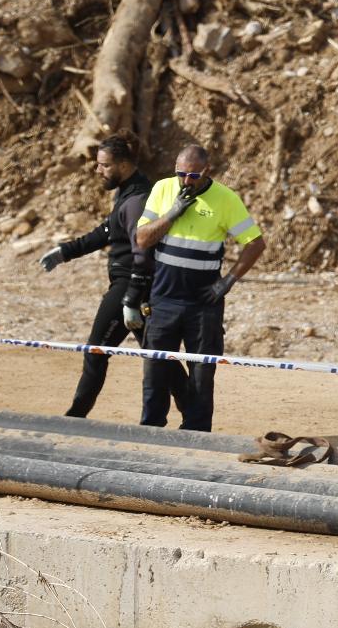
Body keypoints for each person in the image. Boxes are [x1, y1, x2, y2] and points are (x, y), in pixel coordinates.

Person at [132, 142, 266, 431]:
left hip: (203, 304)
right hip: (164, 298)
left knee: (202, 373)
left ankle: (196, 432)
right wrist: (171, 214)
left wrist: (226, 283)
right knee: (155, 368)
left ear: (207, 171)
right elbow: (142, 239)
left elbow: (255, 244)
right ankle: (151, 428)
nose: (186, 181)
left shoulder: (226, 199)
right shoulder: (163, 189)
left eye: (193, 176)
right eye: (181, 174)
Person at [38, 134, 153, 418]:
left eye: (104, 165)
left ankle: (76, 416)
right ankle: (191, 413)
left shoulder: (137, 199)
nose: (97, 170)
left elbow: (143, 254)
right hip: (132, 285)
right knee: (158, 357)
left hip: (130, 283)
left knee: (97, 351)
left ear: (124, 165)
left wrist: (131, 298)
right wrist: (65, 251)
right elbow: (106, 231)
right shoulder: (127, 191)